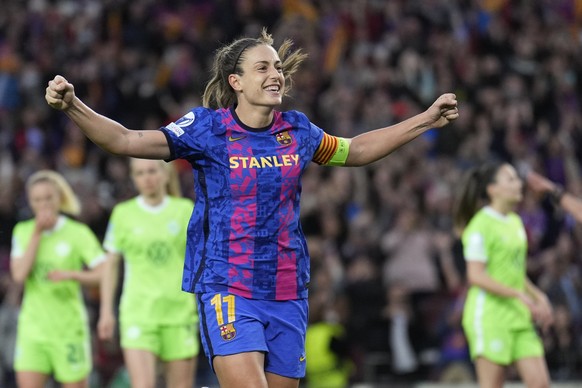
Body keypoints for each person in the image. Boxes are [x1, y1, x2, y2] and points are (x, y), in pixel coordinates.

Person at [45, 28, 458, 388]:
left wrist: (424, 120)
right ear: (236, 81)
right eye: (263, 68)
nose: (276, 74)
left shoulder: (298, 131)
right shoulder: (207, 129)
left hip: (286, 289)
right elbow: (127, 141)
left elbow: (356, 150)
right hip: (228, 285)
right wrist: (74, 107)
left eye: (277, 67)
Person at [97, 158, 199, 388]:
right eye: (140, 173)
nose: (147, 178)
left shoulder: (185, 210)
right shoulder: (123, 213)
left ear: (165, 174)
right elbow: (111, 264)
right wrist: (106, 312)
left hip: (179, 312)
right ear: (133, 178)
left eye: (152, 171)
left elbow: (201, 260)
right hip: (138, 313)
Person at [453, 161, 553, 388]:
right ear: (492, 189)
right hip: (490, 316)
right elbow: (476, 276)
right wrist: (518, 295)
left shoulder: (516, 222)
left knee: (540, 384)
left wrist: (538, 296)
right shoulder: (480, 226)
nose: (519, 184)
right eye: (511, 179)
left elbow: (515, 272)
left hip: (518, 315)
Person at [10, 170, 106, 388]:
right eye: (37, 199)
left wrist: (73, 275)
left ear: (60, 198)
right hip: (33, 330)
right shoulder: (23, 231)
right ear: (30, 201)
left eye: (48, 198)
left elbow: (103, 273)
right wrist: (37, 233)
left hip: (68, 330)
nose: (43, 204)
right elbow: (18, 275)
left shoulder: (77, 232)